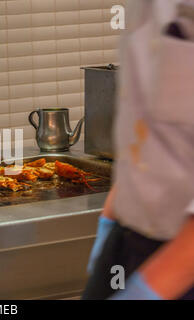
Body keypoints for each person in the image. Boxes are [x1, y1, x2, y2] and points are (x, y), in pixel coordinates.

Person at [83, 0, 194, 300]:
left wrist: (147, 291)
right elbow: (150, 129)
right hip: (128, 238)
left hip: (181, 258)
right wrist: (111, 217)